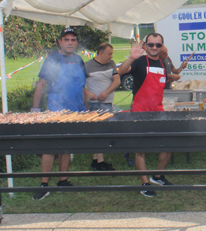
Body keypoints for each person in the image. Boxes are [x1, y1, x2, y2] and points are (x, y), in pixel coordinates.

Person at [31, 28, 88, 200]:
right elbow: (41, 84)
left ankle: (63, 180)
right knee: (50, 147)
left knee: (67, 146)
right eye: (67, 40)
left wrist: (85, 107)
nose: (70, 43)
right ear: (60, 42)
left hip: (76, 109)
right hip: (56, 109)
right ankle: (44, 184)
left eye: (73, 40)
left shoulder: (79, 60)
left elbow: (82, 86)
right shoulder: (53, 59)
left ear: (76, 43)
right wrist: (35, 109)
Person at [118, 33, 178, 197]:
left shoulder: (163, 63)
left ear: (162, 46)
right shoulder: (139, 62)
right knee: (141, 150)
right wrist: (131, 58)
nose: (154, 48)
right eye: (151, 45)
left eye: (157, 45)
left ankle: (157, 175)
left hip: (158, 111)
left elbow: (161, 84)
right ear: (145, 46)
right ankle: (144, 183)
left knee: (168, 145)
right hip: (140, 112)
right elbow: (121, 71)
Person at [85, 43, 120, 171]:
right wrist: (88, 93)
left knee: (104, 131)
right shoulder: (87, 66)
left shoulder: (111, 64)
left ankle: (96, 160)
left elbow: (117, 81)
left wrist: (106, 92)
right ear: (101, 53)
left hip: (107, 102)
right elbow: (79, 83)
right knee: (99, 132)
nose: (111, 56)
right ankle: (100, 161)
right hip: (95, 104)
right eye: (109, 54)